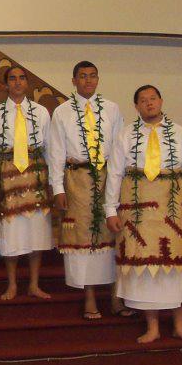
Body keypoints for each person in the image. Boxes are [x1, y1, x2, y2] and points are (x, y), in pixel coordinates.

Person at [105, 85, 182, 343]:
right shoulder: (125, 136)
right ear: (135, 106)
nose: (149, 104)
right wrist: (109, 210)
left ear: (161, 101)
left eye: (153, 99)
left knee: (176, 266)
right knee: (145, 267)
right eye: (143, 101)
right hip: (138, 211)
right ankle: (152, 327)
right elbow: (115, 174)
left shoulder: (180, 134)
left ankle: (180, 324)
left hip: (173, 209)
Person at [48, 61, 126, 318]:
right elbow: (56, 152)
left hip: (107, 178)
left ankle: (116, 296)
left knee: (111, 234)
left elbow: (118, 148)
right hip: (77, 179)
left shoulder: (112, 109)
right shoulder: (62, 112)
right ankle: (90, 297)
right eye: (83, 77)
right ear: (73, 81)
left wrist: (119, 181)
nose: (88, 81)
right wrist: (58, 188)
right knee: (83, 237)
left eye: (93, 76)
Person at [0, 66, 53, 300]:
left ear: (27, 83)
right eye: (12, 79)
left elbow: (50, 148)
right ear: (5, 84)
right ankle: (12, 284)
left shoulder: (42, 112)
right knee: (12, 232)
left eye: (22, 78)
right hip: (8, 175)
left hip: (36, 174)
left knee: (37, 231)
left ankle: (34, 284)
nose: (17, 82)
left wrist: (52, 181)